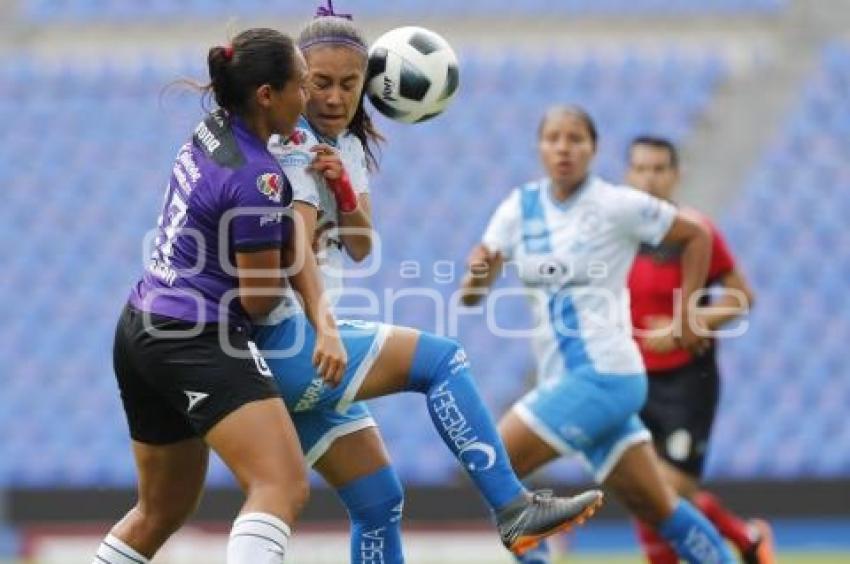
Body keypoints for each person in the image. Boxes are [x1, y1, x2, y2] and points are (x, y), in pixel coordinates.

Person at [255, 6, 604, 563]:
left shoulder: (343, 148)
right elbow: (286, 249)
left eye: (349, 85)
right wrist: (323, 323)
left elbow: (362, 245)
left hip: (304, 349)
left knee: (378, 501)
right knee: (442, 361)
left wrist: (343, 189)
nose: (336, 97)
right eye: (320, 83)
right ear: (298, 81)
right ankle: (513, 508)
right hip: (285, 342)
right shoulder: (282, 145)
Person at [92, 29, 335, 564]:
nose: (309, 98)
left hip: (141, 325)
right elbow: (259, 299)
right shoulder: (260, 179)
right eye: (299, 85)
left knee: (161, 511)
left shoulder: (208, 131)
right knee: (282, 485)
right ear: (266, 94)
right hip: (194, 336)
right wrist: (299, 243)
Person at [459, 105, 737, 564]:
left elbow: (696, 236)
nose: (564, 148)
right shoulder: (518, 208)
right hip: (567, 381)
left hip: (604, 373)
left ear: (594, 149)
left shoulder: (615, 204)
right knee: (660, 507)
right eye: (554, 138)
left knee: (494, 461)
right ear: (540, 146)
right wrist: (477, 277)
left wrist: (688, 313)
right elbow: (471, 296)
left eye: (575, 139)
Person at [626, 136, 774, 564]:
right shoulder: (615, 237)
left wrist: (685, 324)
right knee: (640, 488)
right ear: (627, 175)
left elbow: (742, 297)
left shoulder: (695, 234)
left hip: (685, 381)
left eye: (658, 169)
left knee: (670, 493)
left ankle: (741, 539)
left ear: (676, 176)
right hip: (631, 379)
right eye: (640, 169)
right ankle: (745, 538)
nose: (649, 179)